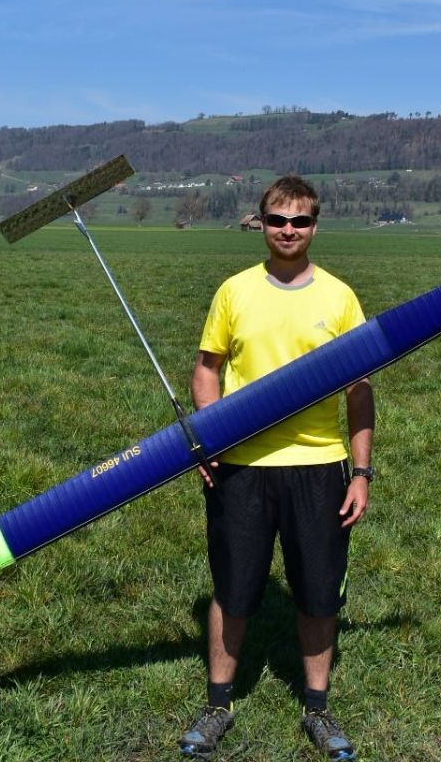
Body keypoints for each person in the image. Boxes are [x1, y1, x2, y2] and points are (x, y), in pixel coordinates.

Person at [179, 176, 375, 761]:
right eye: (277, 220)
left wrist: (361, 473)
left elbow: (359, 390)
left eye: (300, 221)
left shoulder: (340, 297)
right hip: (241, 466)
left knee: (318, 594)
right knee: (233, 589)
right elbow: (206, 368)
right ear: (260, 223)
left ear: (315, 226)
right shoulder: (234, 291)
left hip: (318, 466)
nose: (289, 230)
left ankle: (317, 708)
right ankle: (218, 705)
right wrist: (210, 437)